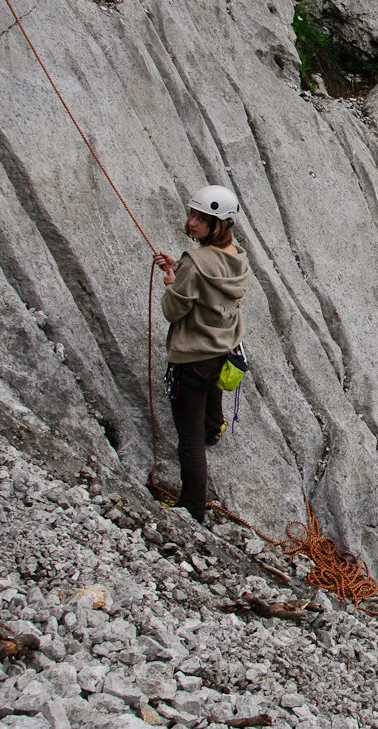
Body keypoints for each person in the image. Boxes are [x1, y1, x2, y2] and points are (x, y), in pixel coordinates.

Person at [152, 185, 249, 523]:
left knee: (188, 440)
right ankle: (215, 426)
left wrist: (171, 280)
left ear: (216, 224)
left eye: (200, 218)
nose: (191, 222)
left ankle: (192, 507)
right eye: (192, 214)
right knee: (210, 390)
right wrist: (180, 274)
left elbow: (172, 310)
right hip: (222, 347)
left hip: (193, 354)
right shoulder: (237, 254)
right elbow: (209, 288)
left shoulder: (194, 263)